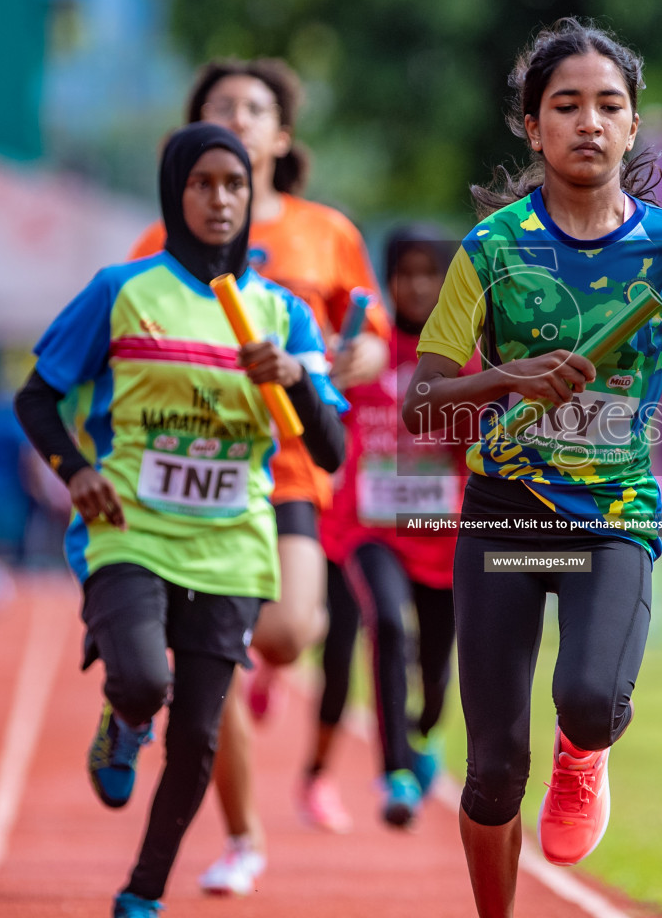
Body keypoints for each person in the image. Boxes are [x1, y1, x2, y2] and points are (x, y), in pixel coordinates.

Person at [403, 18, 662, 918]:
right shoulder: (492, 251)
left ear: (633, 125)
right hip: (506, 517)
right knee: (495, 766)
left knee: (588, 700)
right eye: (566, 105)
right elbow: (421, 403)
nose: (589, 122)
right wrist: (510, 378)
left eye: (609, 105)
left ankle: (586, 755)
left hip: (614, 514)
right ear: (532, 125)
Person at [14, 123, 347, 918]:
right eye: (203, 184)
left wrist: (295, 376)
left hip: (231, 543)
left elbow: (329, 451)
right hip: (130, 526)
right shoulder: (121, 291)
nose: (221, 199)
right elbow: (37, 397)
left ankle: (142, 894)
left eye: (234, 184)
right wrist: (76, 470)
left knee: (199, 736)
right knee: (143, 679)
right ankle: (124, 717)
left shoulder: (281, 312)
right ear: (175, 193)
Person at [126, 59, 390, 894]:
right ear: (188, 134)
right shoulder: (152, 248)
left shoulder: (326, 232)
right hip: (196, 470)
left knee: (284, 634)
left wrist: (341, 368)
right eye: (220, 108)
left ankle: (265, 657)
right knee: (218, 657)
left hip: (288, 464)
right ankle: (242, 835)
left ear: (282, 136)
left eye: (255, 108)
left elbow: (373, 334)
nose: (238, 118)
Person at [313, 225, 466, 831]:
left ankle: (424, 731)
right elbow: (326, 424)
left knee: (435, 668)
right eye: (406, 272)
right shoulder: (365, 354)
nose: (418, 284)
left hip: (441, 532)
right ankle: (394, 772)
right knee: (387, 628)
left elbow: (479, 445)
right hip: (372, 528)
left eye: (432, 272)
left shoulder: (463, 356)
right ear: (388, 279)